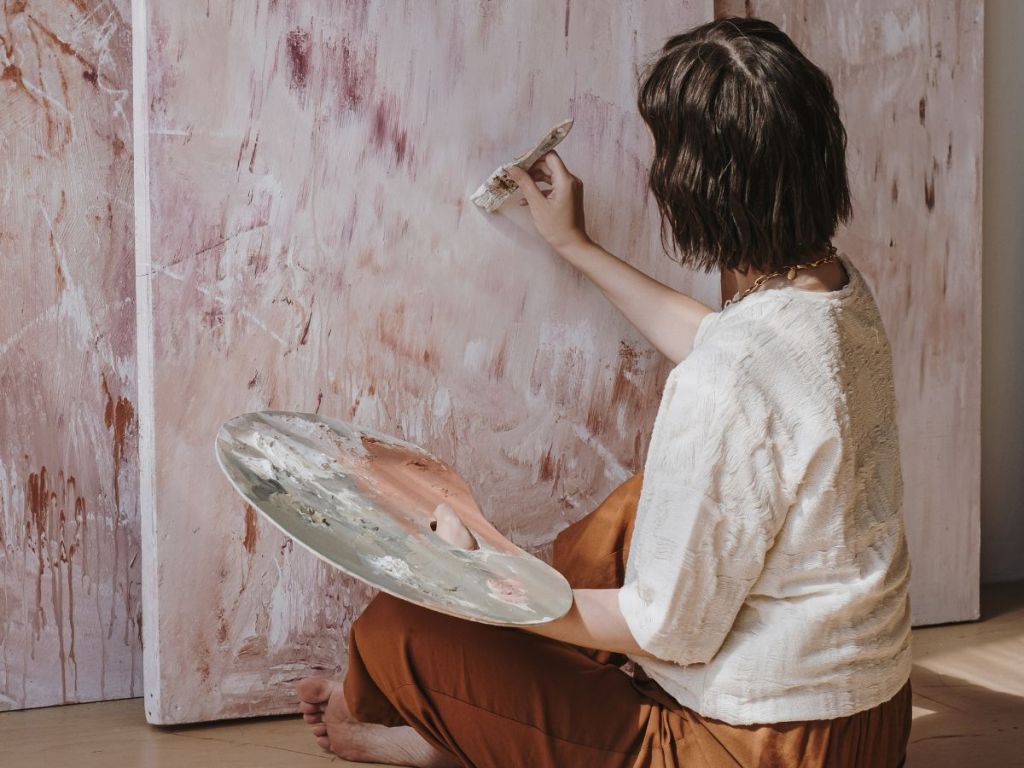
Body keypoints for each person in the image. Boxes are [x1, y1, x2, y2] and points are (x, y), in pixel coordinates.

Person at [295, 15, 913, 768]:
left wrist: (478, 576)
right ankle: (474, 728)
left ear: (695, 192)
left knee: (399, 628)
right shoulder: (837, 295)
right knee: (638, 509)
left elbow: (664, 629)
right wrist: (575, 247)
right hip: (869, 726)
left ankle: (429, 737)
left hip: (748, 749)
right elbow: (725, 346)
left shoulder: (725, 384)